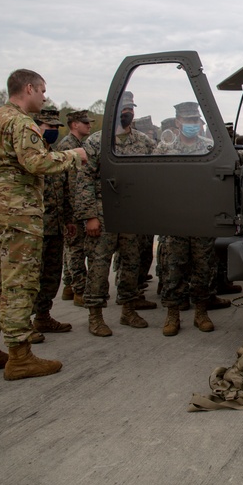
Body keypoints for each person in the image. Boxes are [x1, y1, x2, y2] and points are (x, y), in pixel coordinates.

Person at [0, 69, 87, 381]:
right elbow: (36, 162)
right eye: (41, 91)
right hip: (20, 215)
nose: (44, 97)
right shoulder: (21, 121)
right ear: (28, 89)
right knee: (20, 281)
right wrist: (74, 156)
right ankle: (19, 356)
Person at [74, 91, 157, 336]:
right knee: (99, 265)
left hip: (132, 213)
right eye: (123, 107)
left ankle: (128, 309)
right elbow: (84, 179)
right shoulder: (95, 142)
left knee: (132, 262)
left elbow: (156, 174)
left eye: (130, 107)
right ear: (112, 110)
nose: (127, 112)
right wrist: (89, 216)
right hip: (102, 212)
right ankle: (95, 316)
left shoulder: (143, 142)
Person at [153, 102, 228, 336]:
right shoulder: (164, 149)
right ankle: (172, 315)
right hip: (175, 219)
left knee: (203, 267)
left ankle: (201, 313)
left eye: (195, 120)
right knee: (173, 268)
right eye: (188, 121)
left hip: (201, 217)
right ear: (177, 122)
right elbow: (152, 180)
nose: (192, 125)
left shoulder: (209, 148)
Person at [31, 105, 75, 337]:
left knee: (51, 274)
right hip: (35, 228)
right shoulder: (31, 154)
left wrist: (68, 220)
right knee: (31, 277)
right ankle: (23, 325)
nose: (53, 131)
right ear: (37, 127)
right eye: (49, 127)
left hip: (55, 226)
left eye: (56, 127)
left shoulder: (54, 155)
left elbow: (64, 190)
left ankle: (42, 317)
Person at [55, 109, 93, 305]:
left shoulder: (80, 145)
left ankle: (69, 285)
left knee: (71, 249)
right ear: (74, 125)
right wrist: (70, 215)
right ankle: (79, 290)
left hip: (78, 206)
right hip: (74, 207)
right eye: (85, 123)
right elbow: (68, 184)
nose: (89, 125)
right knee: (76, 249)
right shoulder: (68, 147)